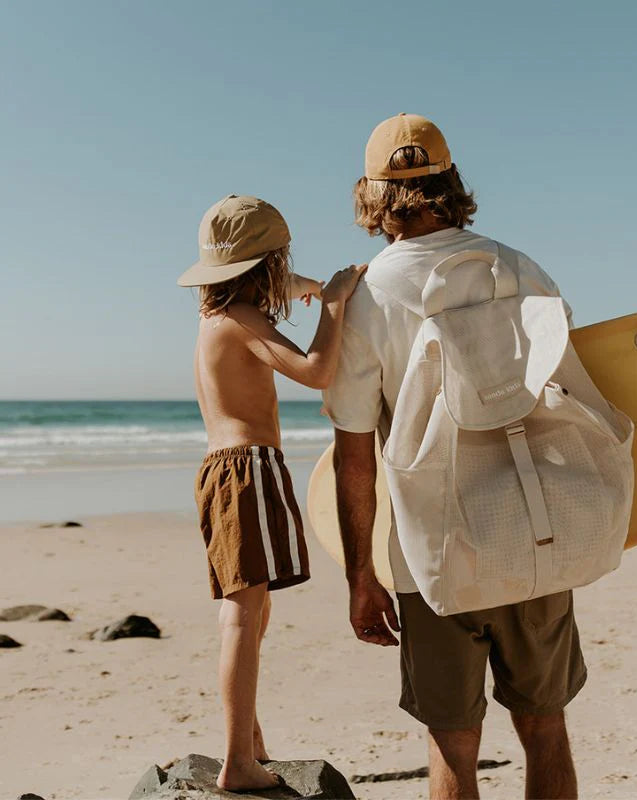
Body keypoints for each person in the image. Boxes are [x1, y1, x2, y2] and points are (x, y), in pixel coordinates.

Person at [324, 115, 586, 800]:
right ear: (450, 183)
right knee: (546, 726)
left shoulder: (365, 297)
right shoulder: (519, 268)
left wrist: (361, 575)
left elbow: (354, 458)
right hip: (534, 531)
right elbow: (572, 399)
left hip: (434, 554)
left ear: (373, 195)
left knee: (453, 743)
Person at [177, 194, 365, 792]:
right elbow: (316, 371)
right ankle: (238, 760)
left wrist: (305, 285)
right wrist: (332, 307)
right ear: (266, 267)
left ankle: (249, 739)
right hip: (248, 469)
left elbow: (274, 292)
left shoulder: (217, 316)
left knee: (253, 612)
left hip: (223, 469)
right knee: (244, 615)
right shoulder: (247, 322)